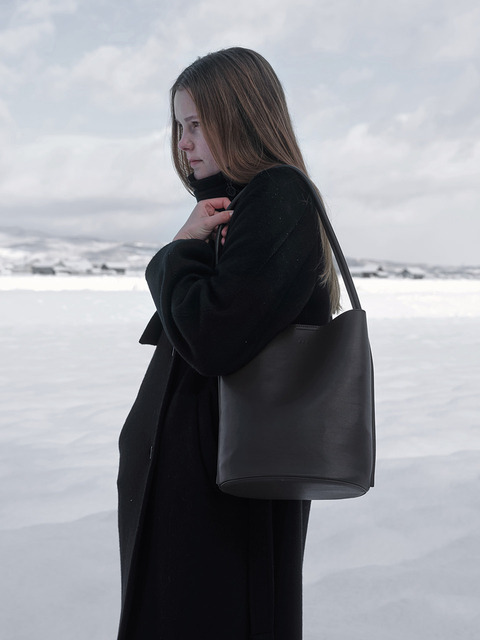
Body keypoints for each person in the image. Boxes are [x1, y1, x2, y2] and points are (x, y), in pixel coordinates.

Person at [116, 47, 340, 640]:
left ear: (240, 117)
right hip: (202, 482)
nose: (183, 144)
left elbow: (212, 338)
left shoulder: (278, 197)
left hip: (227, 489)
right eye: (178, 126)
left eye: (196, 124)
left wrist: (177, 254)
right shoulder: (235, 206)